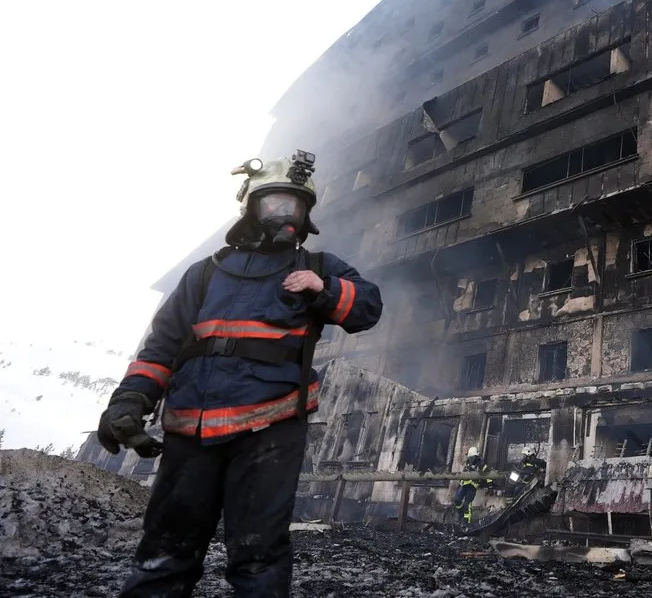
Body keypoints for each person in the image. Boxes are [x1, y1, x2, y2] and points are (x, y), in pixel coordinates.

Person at [95, 152, 383, 597]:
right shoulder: (206, 273)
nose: (286, 214)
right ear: (251, 207)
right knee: (163, 556)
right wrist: (130, 399)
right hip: (191, 429)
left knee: (259, 558)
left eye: (296, 206)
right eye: (275, 204)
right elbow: (163, 345)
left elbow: (367, 307)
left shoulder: (318, 266)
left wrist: (324, 291)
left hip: (269, 429)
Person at [451, 446, 490, 523]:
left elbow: (489, 475)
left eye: (472, 457)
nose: (471, 459)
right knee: (456, 500)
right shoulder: (468, 462)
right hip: (464, 484)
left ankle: (466, 522)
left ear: (476, 456)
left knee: (467, 504)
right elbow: (464, 473)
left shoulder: (482, 465)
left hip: (472, 486)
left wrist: (490, 485)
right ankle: (460, 513)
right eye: (470, 457)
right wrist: (460, 483)